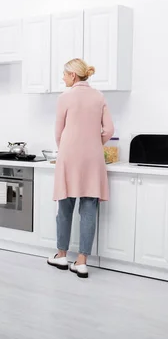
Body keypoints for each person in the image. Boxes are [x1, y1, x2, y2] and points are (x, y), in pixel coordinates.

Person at [46, 58, 115, 278]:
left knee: (65, 208)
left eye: (64, 74)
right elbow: (109, 130)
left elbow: (58, 133)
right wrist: (94, 143)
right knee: (88, 209)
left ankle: (61, 255)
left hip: (69, 157)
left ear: (73, 76)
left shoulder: (65, 97)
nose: (62, 78)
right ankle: (83, 261)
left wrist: (67, 148)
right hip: (93, 158)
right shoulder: (99, 96)